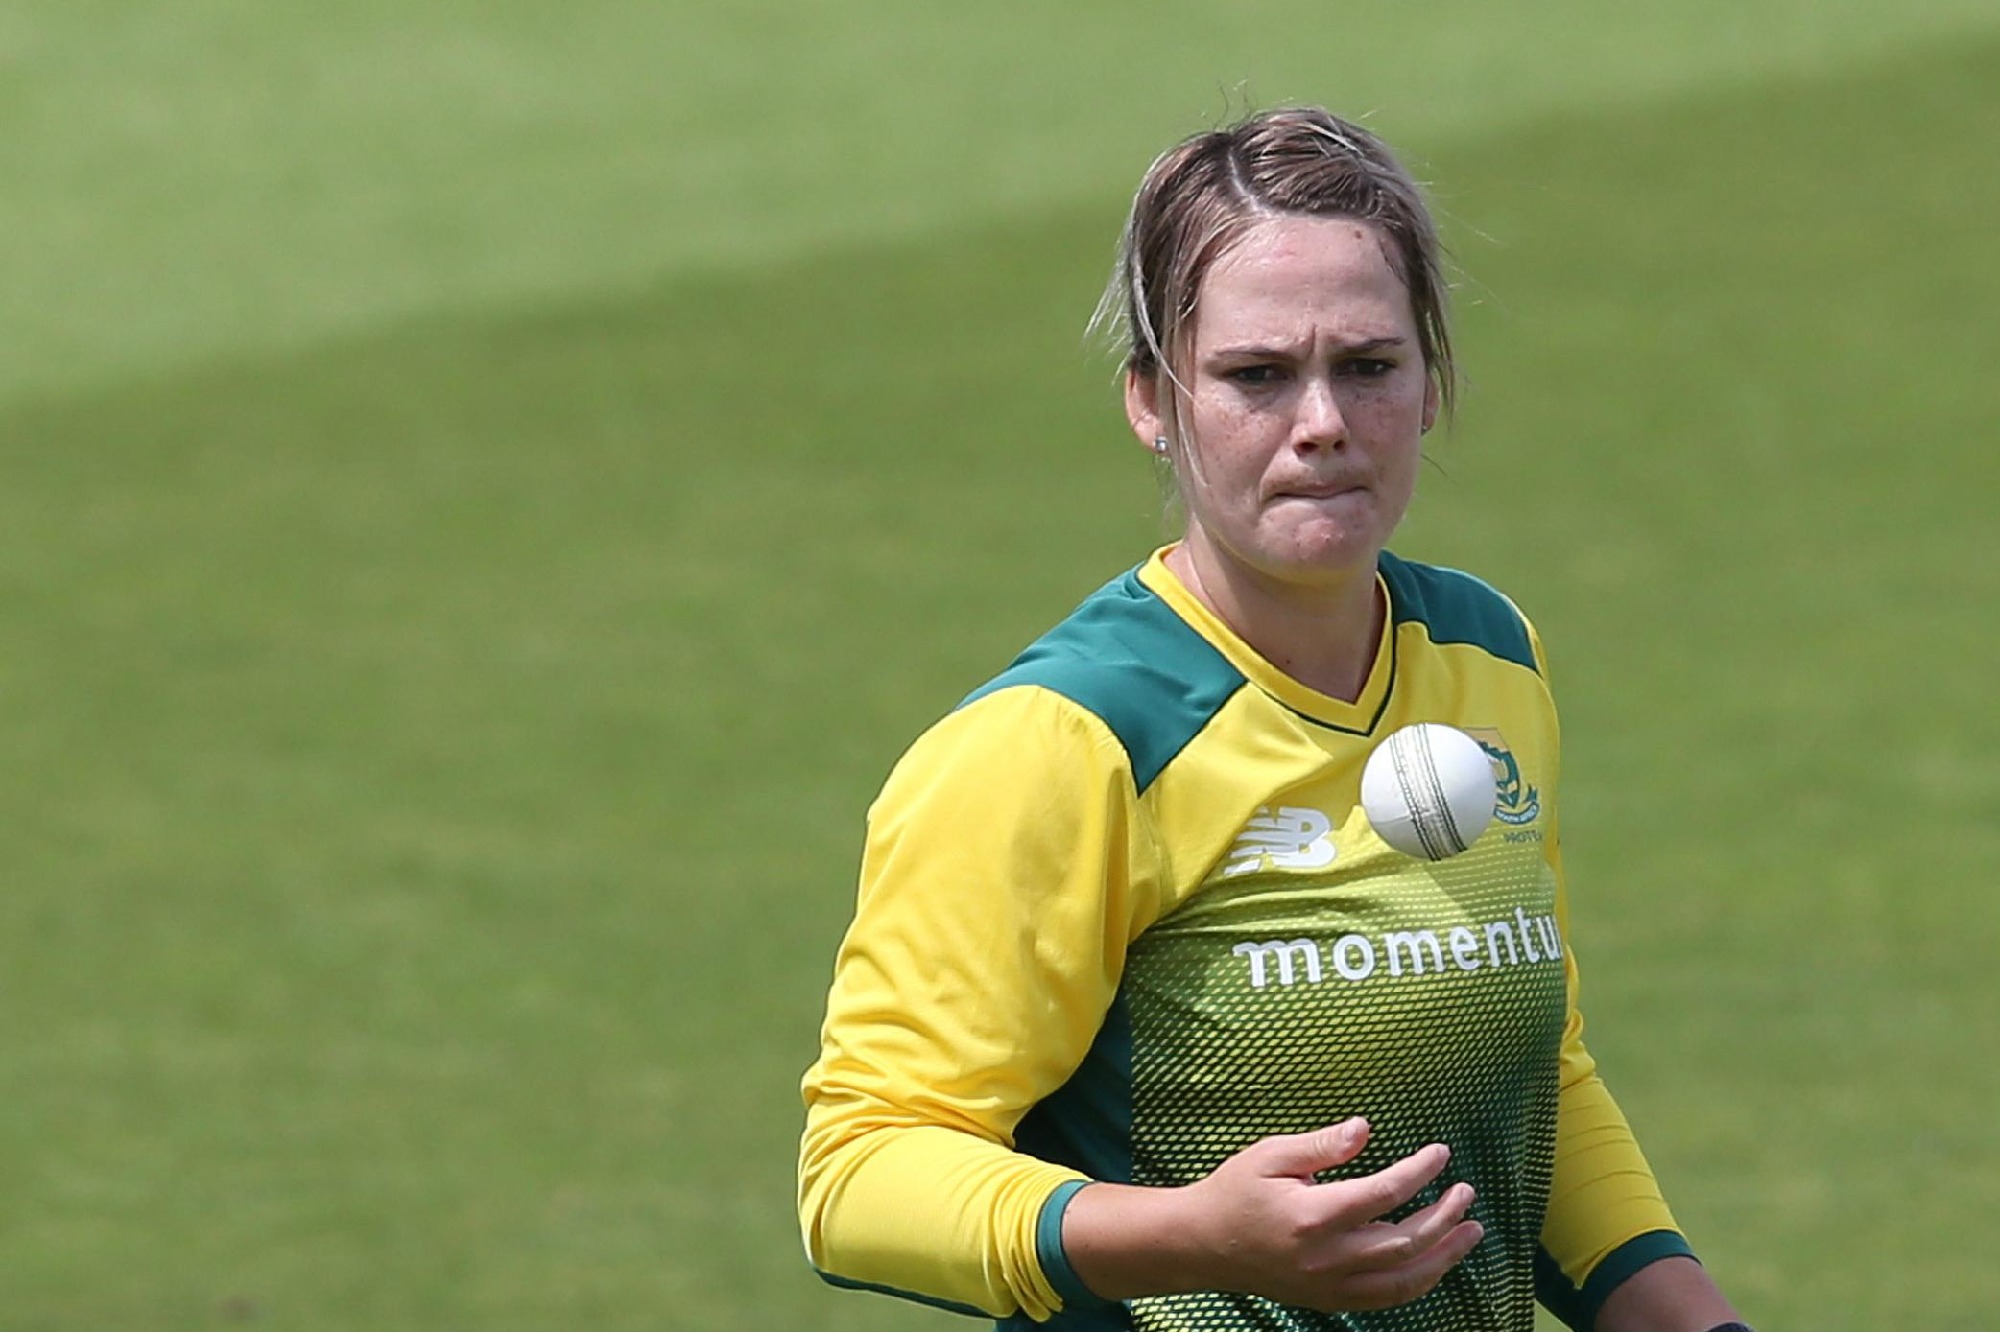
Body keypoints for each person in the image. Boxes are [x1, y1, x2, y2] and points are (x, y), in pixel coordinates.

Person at [797, 106, 1745, 1332]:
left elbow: (1533, 1085)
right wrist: (1198, 1237)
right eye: (1255, 375)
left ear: (1431, 382)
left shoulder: (1485, 656)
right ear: (1152, 399)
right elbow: (860, 1171)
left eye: (1368, 365)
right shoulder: (1067, 740)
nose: (1323, 422)